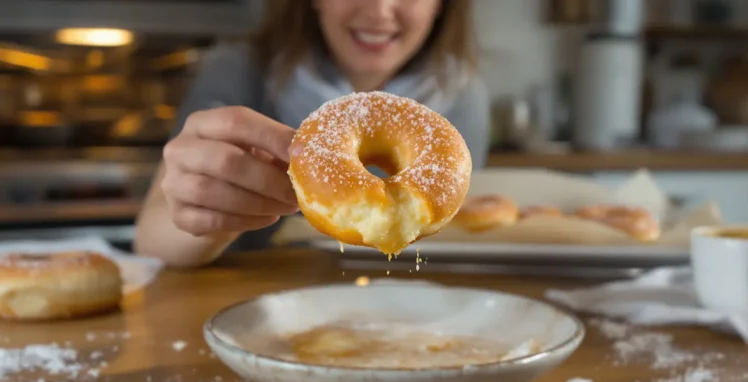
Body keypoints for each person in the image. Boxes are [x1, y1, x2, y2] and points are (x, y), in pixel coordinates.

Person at [134, 0, 490, 268]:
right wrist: (207, 215)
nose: (381, 10)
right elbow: (152, 241)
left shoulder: (460, 97)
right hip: (256, 309)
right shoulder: (240, 73)